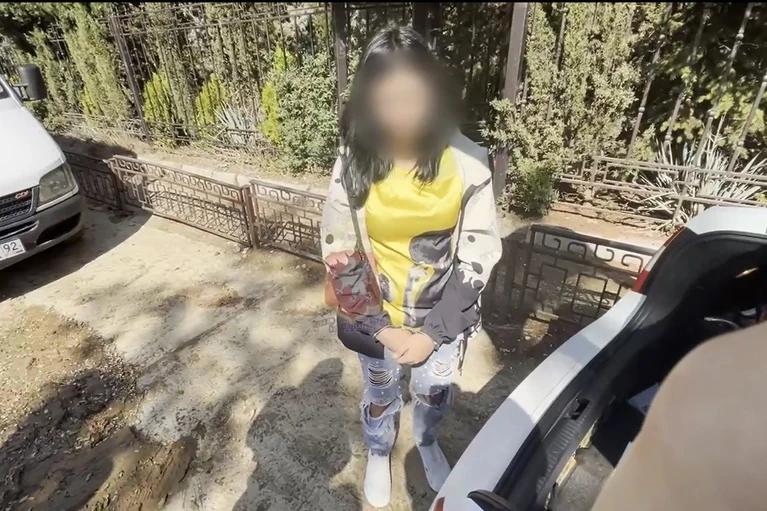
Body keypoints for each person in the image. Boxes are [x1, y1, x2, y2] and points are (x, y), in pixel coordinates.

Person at [320, 25, 502, 508]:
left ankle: (426, 440)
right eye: (387, 99)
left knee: (433, 392)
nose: (402, 113)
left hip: (440, 320)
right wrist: (384, 330)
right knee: (381, 393)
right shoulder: (353, 163)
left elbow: (479, 255)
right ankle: (380, 450)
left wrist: (431, 334)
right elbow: (340, 250)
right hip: (374, 321)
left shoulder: (468, 163)